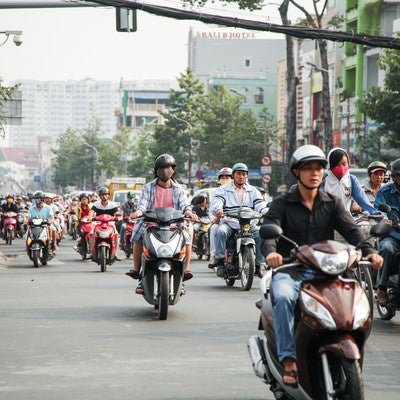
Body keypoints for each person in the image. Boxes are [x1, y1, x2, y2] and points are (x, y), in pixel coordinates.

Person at [262, 144, 383, 387]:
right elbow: (269, 232)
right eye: (308, 168)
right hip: (291, 269)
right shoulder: (283, 203)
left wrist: (369, 252)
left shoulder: (332, 203)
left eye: (318, 168)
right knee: (284, 297)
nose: (314, 173)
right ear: (297, 172)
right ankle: (288, 359)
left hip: (327, 271)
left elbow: (352, 231)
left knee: (356, 299)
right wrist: (272, 253)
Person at [125, 153, 197, 294]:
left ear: (173, 169)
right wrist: (139, 212)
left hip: (174, 225)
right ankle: (137, 271)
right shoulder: (148, 188)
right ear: (156, 170)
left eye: (168, 167)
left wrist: (189, 213)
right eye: (161, 168)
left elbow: (185, 205)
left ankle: (184, 272)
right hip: (152, 225)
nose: (165, 171)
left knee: (187, 238)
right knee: (138, 236)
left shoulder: (179, 189)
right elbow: (143, 204)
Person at [209, 162, 268, 278]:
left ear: (247, 176)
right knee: (221, 232)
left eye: (244, 174)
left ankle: (259, 264)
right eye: (238, 174)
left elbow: (260, 204)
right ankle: (220, 260)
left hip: (248, 223)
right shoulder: (223, 189)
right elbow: (217, 202)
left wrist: (266, 212)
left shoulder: (253, 190)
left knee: (261, 234)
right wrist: (219, 209)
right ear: (233, 176)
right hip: (230, 223)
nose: (241, 177)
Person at [374, 158, 400, 305]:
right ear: (395, 177)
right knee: (387, 249)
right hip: (392, 236)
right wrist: (385, 220)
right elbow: (379, 211)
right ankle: (382, 287)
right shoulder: (384, 192)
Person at [321, 147, 378, 215]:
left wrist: (376, 214)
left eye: (344, 164)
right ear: (330, 165)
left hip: (345, 219)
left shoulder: (351, 180)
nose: (341, 168)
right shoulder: (323, 180)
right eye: (337, 165)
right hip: (325, 219)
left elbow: (363, 201)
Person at [208, 167, 232, 268]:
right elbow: (212, 209)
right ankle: (215, 256)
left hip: (237, 221)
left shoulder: (238, 190)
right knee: (214, 229)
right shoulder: (217, 192)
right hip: (221, 221)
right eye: (223, 177)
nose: (225, 179)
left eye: (228, 177)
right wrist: (216, 218)